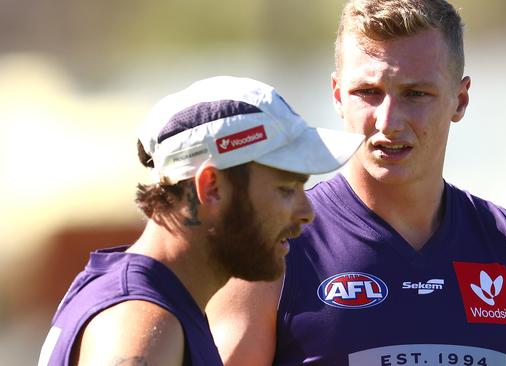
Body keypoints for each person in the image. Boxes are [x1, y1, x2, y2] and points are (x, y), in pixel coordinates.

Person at [207, 1, 506, 366]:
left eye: (416, 94)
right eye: (368, 93)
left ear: (460, 100)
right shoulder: (274, 245)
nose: (389, 121)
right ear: (338, 95)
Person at [36, 76, 363, 366]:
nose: (306, 211)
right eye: (285, 189)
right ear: (211, 187)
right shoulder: (142, 325)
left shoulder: (157, 307)